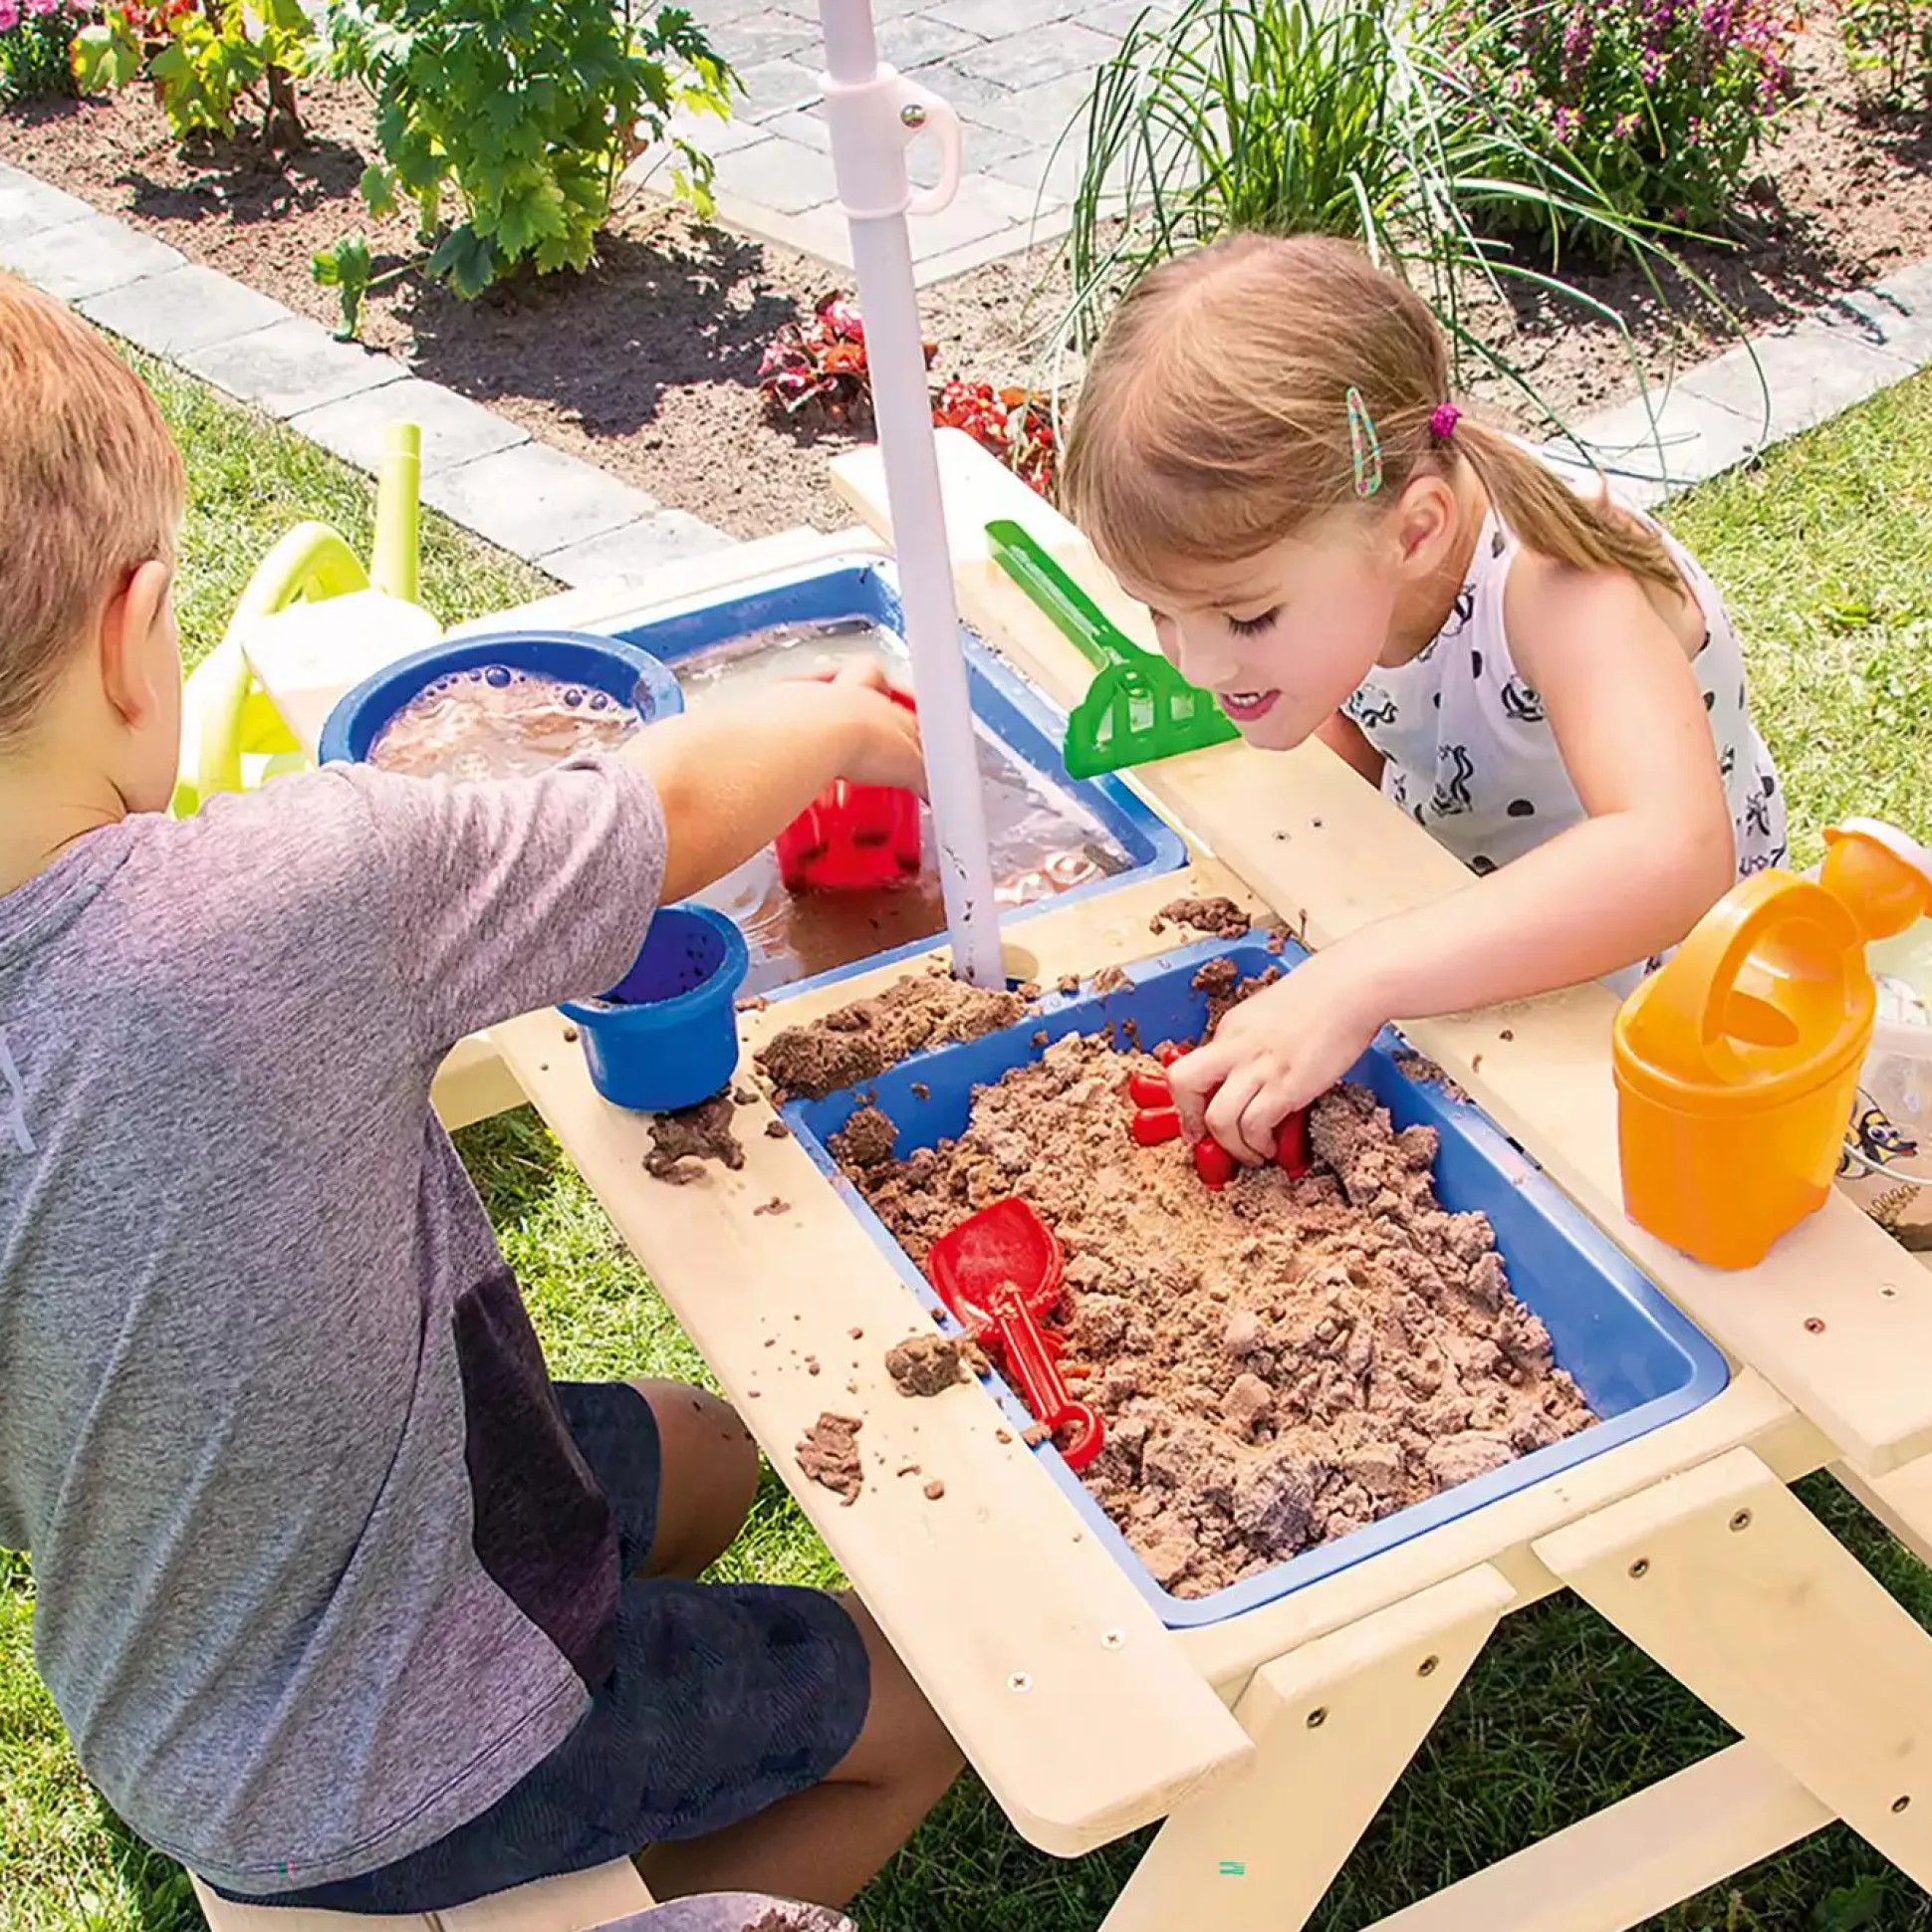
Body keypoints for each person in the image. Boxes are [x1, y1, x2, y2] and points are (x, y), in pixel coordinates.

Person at [0, 274, 960, 1915]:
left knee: (707, 1454)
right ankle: (650, 1890)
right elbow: (656, 804)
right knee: (932, 1709)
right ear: (129, 632)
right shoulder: (283, 903)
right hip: (401, 1738)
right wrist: (830, 718)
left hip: (170, 1682)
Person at [1060, 232, 1788, 1166]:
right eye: (1159, 611)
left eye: (1244, 620)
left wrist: (1360, 978)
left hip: (1674, 1013)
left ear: (1415, 533)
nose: (1199, 665)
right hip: (1465, 935)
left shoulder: (1563, 587)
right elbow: (1379, 715)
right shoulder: (1358, 561)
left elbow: (1672, 858)